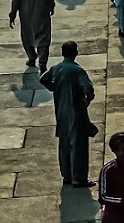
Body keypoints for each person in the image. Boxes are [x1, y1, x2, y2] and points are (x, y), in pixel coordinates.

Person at [39, 40, 95, 185]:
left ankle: (67, 175)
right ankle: (78, 177)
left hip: (61, 112)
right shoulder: (78, 70)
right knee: (78, 144)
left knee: (64, 144)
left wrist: (53, 87)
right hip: (76, 111)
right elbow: (88, 88)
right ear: (76, 52)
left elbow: (43, 79)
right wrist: (87, 100)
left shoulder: (56, 68)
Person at [9, 0, 55, 71]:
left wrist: (13, 14)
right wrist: (51, 7)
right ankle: (43, 62)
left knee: (27, 37)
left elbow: (15, 1)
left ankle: (32, 57)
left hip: (26, 16)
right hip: (42, 14)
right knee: (43, 38)